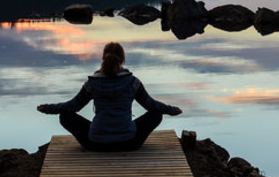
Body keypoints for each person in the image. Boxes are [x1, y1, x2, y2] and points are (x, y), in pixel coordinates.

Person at [37, 42, 182, 151]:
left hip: (95, 144)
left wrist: (48, 108)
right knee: (156, 114)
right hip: (129, 142)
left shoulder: (93, 83)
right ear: (122, 59)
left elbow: (72, 106)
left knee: (65, 116)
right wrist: (172, 110)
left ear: (103, 58)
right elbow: (151, 105)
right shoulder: (133, 82)